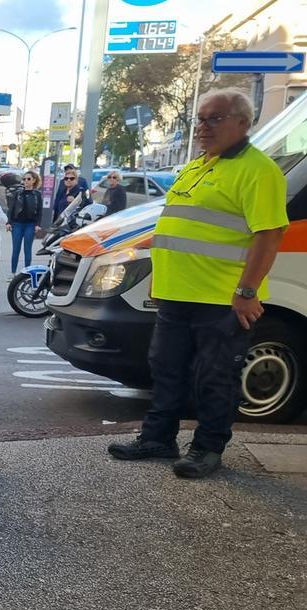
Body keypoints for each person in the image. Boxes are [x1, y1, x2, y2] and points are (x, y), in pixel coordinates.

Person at [109, 88, 288, 479]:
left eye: (214, 119)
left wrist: (246, 292)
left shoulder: (258, 171)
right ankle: (158, 438)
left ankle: (207, 448)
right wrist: (159, 280)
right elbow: (174, 230)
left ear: (243, 123)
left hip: (221, 299)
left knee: (214, 376)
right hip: (176, 292)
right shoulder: (197, 165)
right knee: (166, 367)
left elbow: (269, 234)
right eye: (200, 120)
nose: (203, 127)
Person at [6, 170, 44, 273]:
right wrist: (8, 222)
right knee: (16, 249)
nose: (26, 181)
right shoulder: (18, 193)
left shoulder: (37, 194)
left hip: (30, 225)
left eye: (28, 179)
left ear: (34, 181)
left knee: (27, 249)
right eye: (24, 179)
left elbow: (40, 210)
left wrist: (38, 224)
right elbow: (11, 209)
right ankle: (13, 273)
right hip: (17, 224)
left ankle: (27, 272)